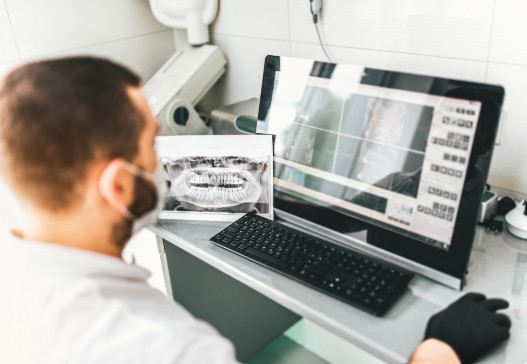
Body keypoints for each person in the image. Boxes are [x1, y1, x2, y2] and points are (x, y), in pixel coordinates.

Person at [0, 57, 511, 364]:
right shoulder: (167, 348)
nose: (164, 158)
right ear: (117, 183)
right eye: (152, 144)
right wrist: (437, 352)